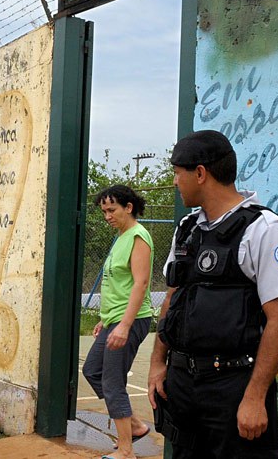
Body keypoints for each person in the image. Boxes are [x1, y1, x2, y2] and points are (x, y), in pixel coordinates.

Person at [147, 130, 278, 459]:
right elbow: (174, 297)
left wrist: (255, 396)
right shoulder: (188, 229)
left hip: (233, 386)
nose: (175, 182)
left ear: (200, 174)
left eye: (177, 173)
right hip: (182, 384)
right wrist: (157, 363)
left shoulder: (265, 230)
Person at [82, 185, 154, 459]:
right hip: (114, 320)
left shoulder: (138, 236)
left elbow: (140, 283)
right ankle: (134, 425)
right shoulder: (121, 237)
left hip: (131, 320)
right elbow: (116, 285)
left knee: (112, 383)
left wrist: (124, 324)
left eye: (111, 210)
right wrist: (105, 319)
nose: (107, 216)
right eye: (104, 212)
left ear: (129, 207)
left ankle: (126, 451)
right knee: (92, 370)